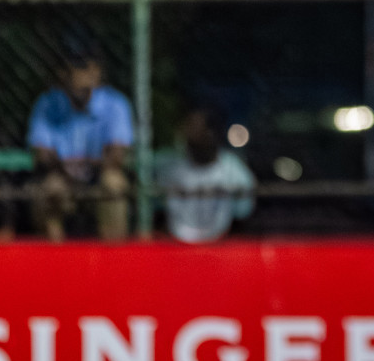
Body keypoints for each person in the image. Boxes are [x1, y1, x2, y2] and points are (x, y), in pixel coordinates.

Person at [28, 50, 133, 242]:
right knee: (51, 188)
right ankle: (55, 261)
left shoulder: (115, 103)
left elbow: (116, 155)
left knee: (113, 183)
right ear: (63, 74)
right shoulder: (47, 103)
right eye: (76, 68)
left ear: (97, 72)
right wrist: (69, 174)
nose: (82, 74)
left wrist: (89, 172)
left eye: (87, 68)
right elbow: (42, 154)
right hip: (62, 178)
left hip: (98, 178)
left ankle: (113, 259)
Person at [156, 108, 255, 244]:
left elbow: (242, 216)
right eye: (189, 127)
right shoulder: (170, 168)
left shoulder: (234, 171)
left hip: (222, 248)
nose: (189, 134)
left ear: (211, 133)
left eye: (197, 129)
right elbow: (157, 213)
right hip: (176, 248)